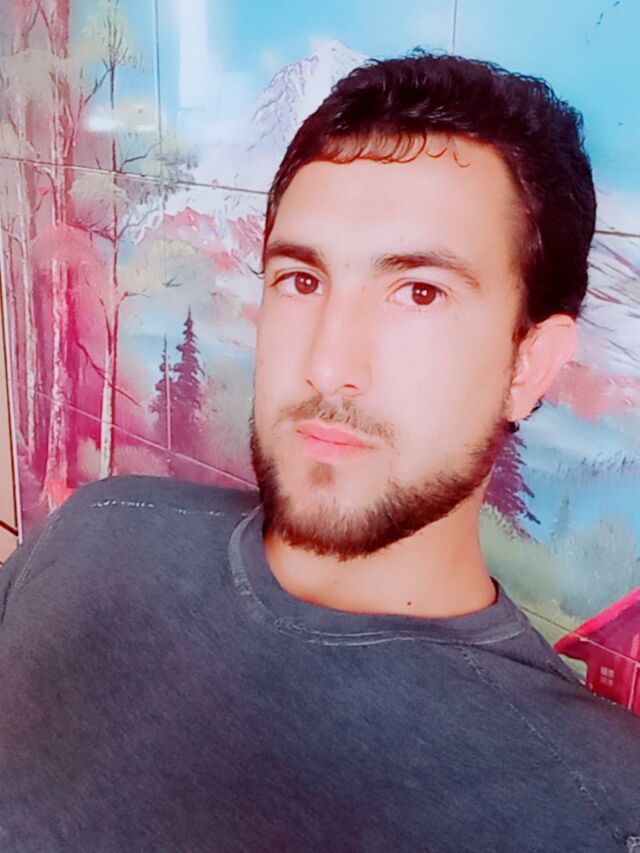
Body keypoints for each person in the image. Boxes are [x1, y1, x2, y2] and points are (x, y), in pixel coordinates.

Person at [0, 52, 638, 853]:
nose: (329, 365)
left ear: (529, 366)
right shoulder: (95, 532)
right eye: (301, 280)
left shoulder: (593, 809)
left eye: (420, 292)